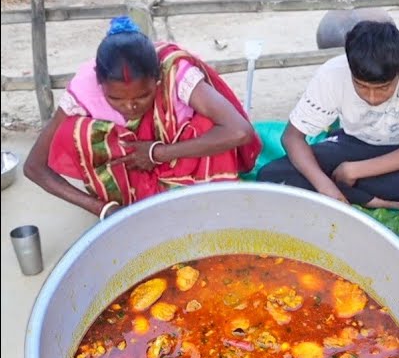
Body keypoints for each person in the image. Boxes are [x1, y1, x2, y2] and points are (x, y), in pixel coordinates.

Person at [25, 16, 259, 219]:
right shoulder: (84, 89)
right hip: (129, 176)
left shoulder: (173, 71)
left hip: (180, 158)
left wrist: (158, 153)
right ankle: (132, 203)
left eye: (144, 95)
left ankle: (197, 197)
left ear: (158, 78)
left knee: (210, 124)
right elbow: (34, 167)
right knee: (74, 133)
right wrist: (102, 209)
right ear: (99, 83)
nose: (130, 106)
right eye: (115, 99)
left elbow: (240, 131)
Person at [256, 21, 399, 220]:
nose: (372, 98)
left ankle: (354, 193)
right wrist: (326, 188)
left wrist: (354, 170)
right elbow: (292, 138)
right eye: (361, 86)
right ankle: (384, 202)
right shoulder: (332, 73)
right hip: (353, 145)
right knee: (272, 176)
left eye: (383, 88)